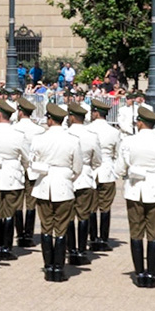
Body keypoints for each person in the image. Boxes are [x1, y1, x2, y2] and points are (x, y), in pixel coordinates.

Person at [120, 103, 155, 287]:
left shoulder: (129, 142)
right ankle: (152, 274)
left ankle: (139, 273)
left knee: (136, 233)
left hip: (135, 190)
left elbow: (120, 169)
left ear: (141, 123)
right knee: (154, 234)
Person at [30, 103, 80, 282]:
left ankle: (48, 267)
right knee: (60, 229)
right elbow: (78, 167)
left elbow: (32, 162)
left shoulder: (39, 138)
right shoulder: (72, 139)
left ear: (49, 119)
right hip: (64, 186)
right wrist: (67, 178)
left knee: (46, 228)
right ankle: (58, 268)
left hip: (44, 185)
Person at [0, 99, 29, 260]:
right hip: (13, 175)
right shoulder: (18, 135)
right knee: (10, 213)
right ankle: (7, 248)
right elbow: (26, 158)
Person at [64, 101, 100, 265]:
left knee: (69, 216)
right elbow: (98, 160)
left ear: (71, 117)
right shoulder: (92, 135)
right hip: (85, 176)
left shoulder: (65, 134)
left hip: (69, 177)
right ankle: (82, 251)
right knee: (84, 215)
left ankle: (71, 250)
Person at [89, 96, 123, 251]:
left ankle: (92, 238)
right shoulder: (114, 132)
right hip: (107, 171)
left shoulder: (87, 129)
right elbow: (118, 154)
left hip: (90, 171)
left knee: (90, 207)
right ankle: (103, 239)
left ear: (96, 113)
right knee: (105, 207)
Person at [12, 96, 45, 246]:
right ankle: (29, 235)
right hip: (33, 169)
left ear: (20, 112)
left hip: (18, 168)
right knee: (31, 204)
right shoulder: (39, 130)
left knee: (18, 204)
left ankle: (20, 235)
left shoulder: (14, 128)